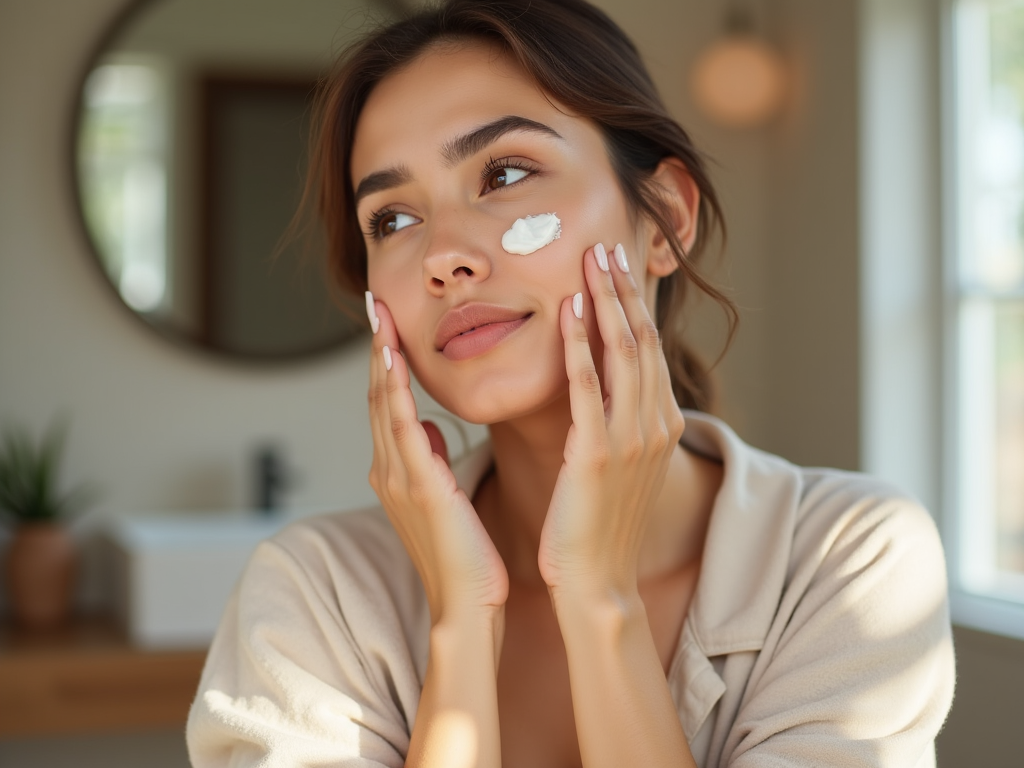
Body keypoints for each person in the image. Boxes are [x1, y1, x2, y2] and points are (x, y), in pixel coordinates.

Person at [186, 1, 955, 766]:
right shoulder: (316, 596)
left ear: (664, 218)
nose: (441, 257)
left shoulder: (847, 559)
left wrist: (598, 600)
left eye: (505, 173)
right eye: (391, 219)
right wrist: (459, 625)